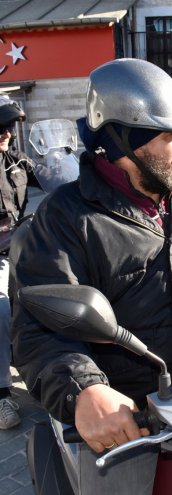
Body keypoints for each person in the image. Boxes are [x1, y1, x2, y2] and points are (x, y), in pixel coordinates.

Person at [10, 59, 172, 492]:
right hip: (129, 417)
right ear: (124, 140)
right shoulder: (65, 218)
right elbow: (39, 330)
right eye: (170, 135)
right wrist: (84, 391)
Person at [0, 96, 40, 429]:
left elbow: (55, 180)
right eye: (0, 127)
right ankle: (1, 393)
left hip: (23, 248)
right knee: (0, 307)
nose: (6, 133)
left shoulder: (16, 162)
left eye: (9, 126)